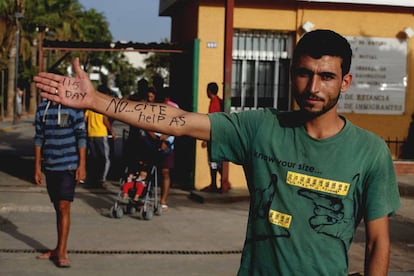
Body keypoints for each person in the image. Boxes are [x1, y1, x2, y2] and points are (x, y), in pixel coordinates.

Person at [34, 29, 401, 275]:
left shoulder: (369, 152)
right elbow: (178, 121)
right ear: (292, 74)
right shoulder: (262, 127)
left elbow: (378, 240)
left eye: (327, 77)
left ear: (345, 82)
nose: (313, 86)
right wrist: (97, 100)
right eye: (305, 73)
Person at [33, 98, 87, 268]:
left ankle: (62, 252)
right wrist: (37, 166)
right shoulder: (42, 108)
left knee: (64, 206)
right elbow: (39, 137)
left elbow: (81, 136)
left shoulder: (73, 108)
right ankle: (58, 248)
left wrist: (82, 165)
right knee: (58, 207)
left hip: (69, 165)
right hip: (50, 165)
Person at [84, 85, 115, 188]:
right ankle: (102, 179)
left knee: (93, 158)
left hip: (91, 134)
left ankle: (92, 178)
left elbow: (85, 119)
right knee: (105, 159)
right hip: (101, 134)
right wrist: (111, 131)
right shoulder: (102, 105)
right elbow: (105, 120)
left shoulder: (91, 105)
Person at [201, 82, 224, 192]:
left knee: (214, 162)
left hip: (214, 137)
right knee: (216, 162)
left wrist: (206, 138)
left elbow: (212, 121)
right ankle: (216, 183)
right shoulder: (218, 101)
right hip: (218, 137)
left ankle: (216, 183)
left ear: (209, 91)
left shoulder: (214, 103)